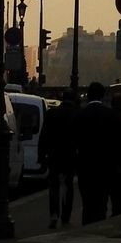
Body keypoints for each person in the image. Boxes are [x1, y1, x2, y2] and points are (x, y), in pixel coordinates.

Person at [75, 81, 119, 224]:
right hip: (104, 167)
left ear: (87, 95)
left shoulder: (80, 115)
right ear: (103, 96)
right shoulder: (110, 115)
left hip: (85, 166)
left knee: (87, 203)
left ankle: (86, 228)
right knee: (101, 202)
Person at [38, 89, 77, 228]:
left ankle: (54, 214)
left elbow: (44, 137)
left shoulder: (52, 113)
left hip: (54, 154)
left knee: (54, 186)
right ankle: (66, 216)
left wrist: (41, 156)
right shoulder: (76, 114)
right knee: (68, 185)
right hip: (70, 155)